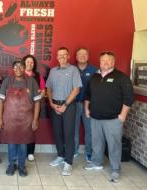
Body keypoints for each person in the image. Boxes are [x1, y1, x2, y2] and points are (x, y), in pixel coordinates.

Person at [84, 51, 134, 183]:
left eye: (108, 60)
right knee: (97, 142)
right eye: (103, 61)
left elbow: (129, 98)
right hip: (95, 117)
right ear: (99, 62)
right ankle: (96, 162)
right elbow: (88, 95)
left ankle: (115, 170)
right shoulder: (94, 77)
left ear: (113, 61)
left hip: (113, 119)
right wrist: (86, 109)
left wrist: (123, 115)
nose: (105, 63)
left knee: (114, 145)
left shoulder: (121, 78)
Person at [0, 60, 41, 177]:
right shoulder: (7, 81)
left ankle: (21, 165)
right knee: (11, 143)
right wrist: (0, 118)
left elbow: (37, 102)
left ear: (24, 67)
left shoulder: (31, 81)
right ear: (13, 68)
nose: (18, 68)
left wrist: (35, 119)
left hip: (26, 119)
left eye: (21, 66)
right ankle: (12, 164)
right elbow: (1, 101)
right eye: (16, 66)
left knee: (23, 143)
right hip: (10, 118)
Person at [46, 47, 82, 176]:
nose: (61, 57)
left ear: (68, 56)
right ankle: (60, 156)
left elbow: (76, 89)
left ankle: (68, 163)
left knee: (68, 134)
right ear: (57, 57)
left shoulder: (73, 70)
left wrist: (66, 104)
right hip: (54, 104)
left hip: (69, 105)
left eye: (64, 55)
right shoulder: (53, 71)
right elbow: (48, 88)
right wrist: (51, 103)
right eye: (59, 55)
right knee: (57, 133)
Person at [73, 48, 97, 162]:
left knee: (90, 130)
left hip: (89, 105)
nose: (82, 56)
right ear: (76, 57)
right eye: (80, 54)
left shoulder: (95, 70)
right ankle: (74, 151)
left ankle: (89, 153)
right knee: (74, 129)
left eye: (85, 54)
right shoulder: (71, 69)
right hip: (74, 104)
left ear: (88, 56)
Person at [22, 54, 46, 162]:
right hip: (20, 107)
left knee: (31, 128)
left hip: (34, 107)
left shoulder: (37, 75)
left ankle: (30, 152)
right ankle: (21, 152)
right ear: (24, 63)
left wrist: (38, 97)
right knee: (20, 129)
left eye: (31, 62)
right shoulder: (19, 74)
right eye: (27, 62)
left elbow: (43, 90)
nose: (29, 64)